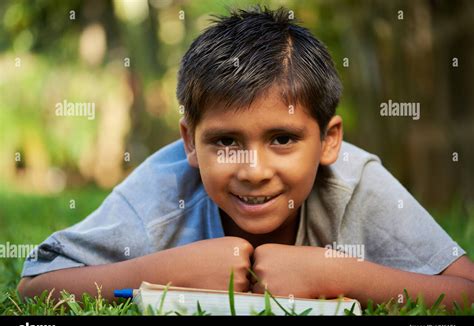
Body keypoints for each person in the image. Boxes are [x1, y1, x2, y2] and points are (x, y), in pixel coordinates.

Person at [18, 6, 473, 308]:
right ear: (190, 143)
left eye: (282, 139)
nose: (253, 171)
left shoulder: (354, 182)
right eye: (224, 141)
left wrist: (336, 274)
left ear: (329, 140)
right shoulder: (164, 186)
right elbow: (36, 285)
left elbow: (465, 291)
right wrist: (169, 272)